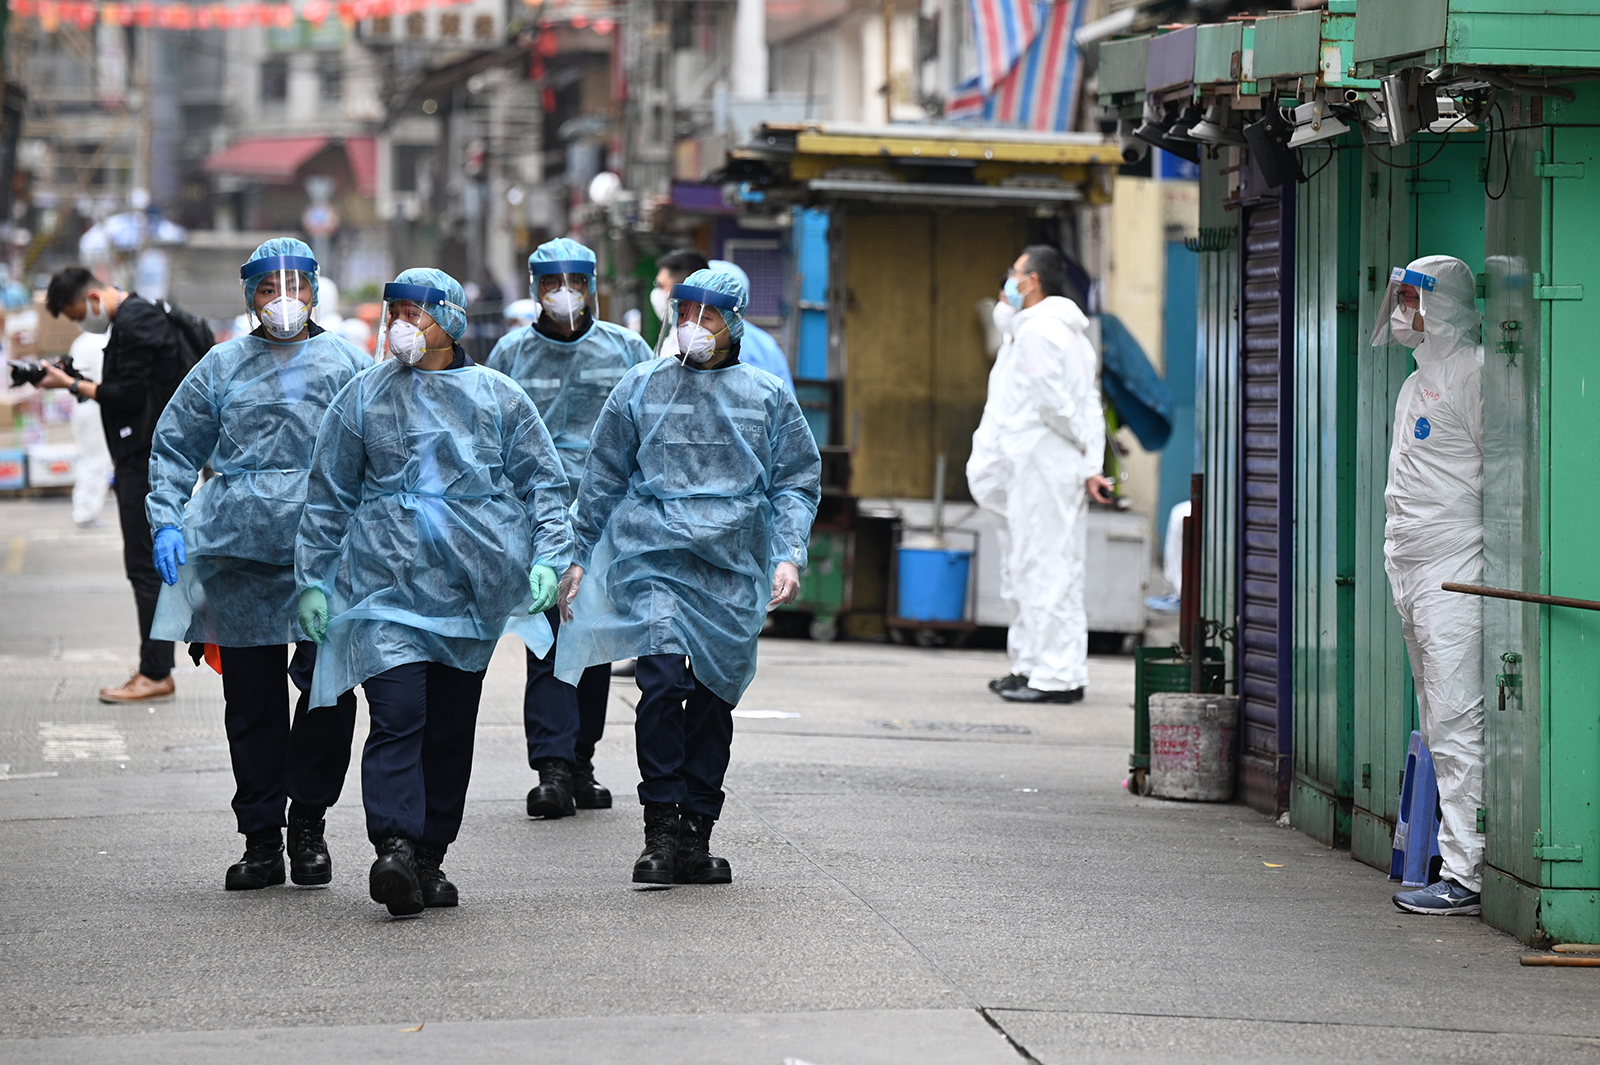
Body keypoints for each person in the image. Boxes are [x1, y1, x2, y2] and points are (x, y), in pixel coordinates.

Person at [296, 268, 573, 917]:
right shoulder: (362, 396)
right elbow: (328, 494)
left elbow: (545, 486)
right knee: (398, 714)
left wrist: (548, 558)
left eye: (415, 312)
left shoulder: (497, 397)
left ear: (449, 318)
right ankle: (393, 841)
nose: (400, 324)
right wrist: (313, 577)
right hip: (382, 587)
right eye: (394, 310)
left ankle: (429, 855)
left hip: (467, 594)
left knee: (449, 727)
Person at [556, 268, 820, 887]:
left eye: (708, 316)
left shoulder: (767, 396)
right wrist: (575, 552)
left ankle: (697, 830)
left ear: (736, 322)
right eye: (685, 313)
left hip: (731, 570)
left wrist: (787, 553)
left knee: (711, 698)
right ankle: (660, 831)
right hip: (655, 562)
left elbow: (795, 481)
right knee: (662, 683)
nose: (693, 327)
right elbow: (602, 479)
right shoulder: (640, 387)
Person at [144, 239, 369, 891]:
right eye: (269, 290)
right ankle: (263, 837)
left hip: (327, 552)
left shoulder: (350, 365)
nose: (283, 302)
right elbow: (173, 447)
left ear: (315, 292)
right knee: (251, 701)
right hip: (237, 553)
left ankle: (310, 823)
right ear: (250, 298)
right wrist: (165, 517)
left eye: (295, 287)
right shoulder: (220, 367)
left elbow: (388, 447)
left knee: (328, 688)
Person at [487, 238, 652, 820]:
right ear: (535, 288)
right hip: (538, 515)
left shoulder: (627, 349)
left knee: (595, 639)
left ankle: (581, 759)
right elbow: (491, 435)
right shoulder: (511, 353)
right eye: (553, 281)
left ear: (591, 285)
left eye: (575, 281)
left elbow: (647, 429)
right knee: (549, 637)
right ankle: (552, 766)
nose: (564, 293)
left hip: (606, 517)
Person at [1374, 256, 1486, 917]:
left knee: (1457, 717)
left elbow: (1506, 471)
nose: (1400, 313)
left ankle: (1468, 872)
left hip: (1455, 569)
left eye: (1411, 300)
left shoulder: (1475, 374)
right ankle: (1455, 857)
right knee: (1436, 716)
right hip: (1413, 569)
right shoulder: (1416, 382)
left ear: (1441, 307)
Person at [967, 245, 1113, 704]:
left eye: (1014, 274)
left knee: (1045, 569)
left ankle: (1056, 676)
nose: (1007, 282)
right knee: (1029, 568)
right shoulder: (1048, 330)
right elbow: (1089, 400)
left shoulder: (1040, 333)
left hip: (1043, 463)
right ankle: (1030, 664)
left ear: (1031, 282)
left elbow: (1056, 403)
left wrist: (1081, 448)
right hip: (1037, 464)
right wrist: (1091, 460)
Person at [42, 268, 187, 704]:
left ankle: (156, 672)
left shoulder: (134, 321)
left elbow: (128, 394)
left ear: (90, 297)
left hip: (144, 459)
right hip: (145, 455)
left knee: (144, 569)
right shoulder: (141, 313)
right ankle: (155, 662)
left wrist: (70, 382)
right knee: (146, 568)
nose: (79, 322)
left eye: (75, 314)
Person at [653, 251, 796, 391]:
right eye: (684, 313)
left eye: (703, 316)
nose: (689, 324)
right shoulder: (674, 339)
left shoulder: (741, 353)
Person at [67, 329, 112, 528]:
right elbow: (106, 380)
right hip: (95, 408)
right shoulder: (100, 343)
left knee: (88, 458)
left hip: (81, 408)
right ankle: (85, 512)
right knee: (97, 460)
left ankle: (83, 508)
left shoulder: (80, 342)